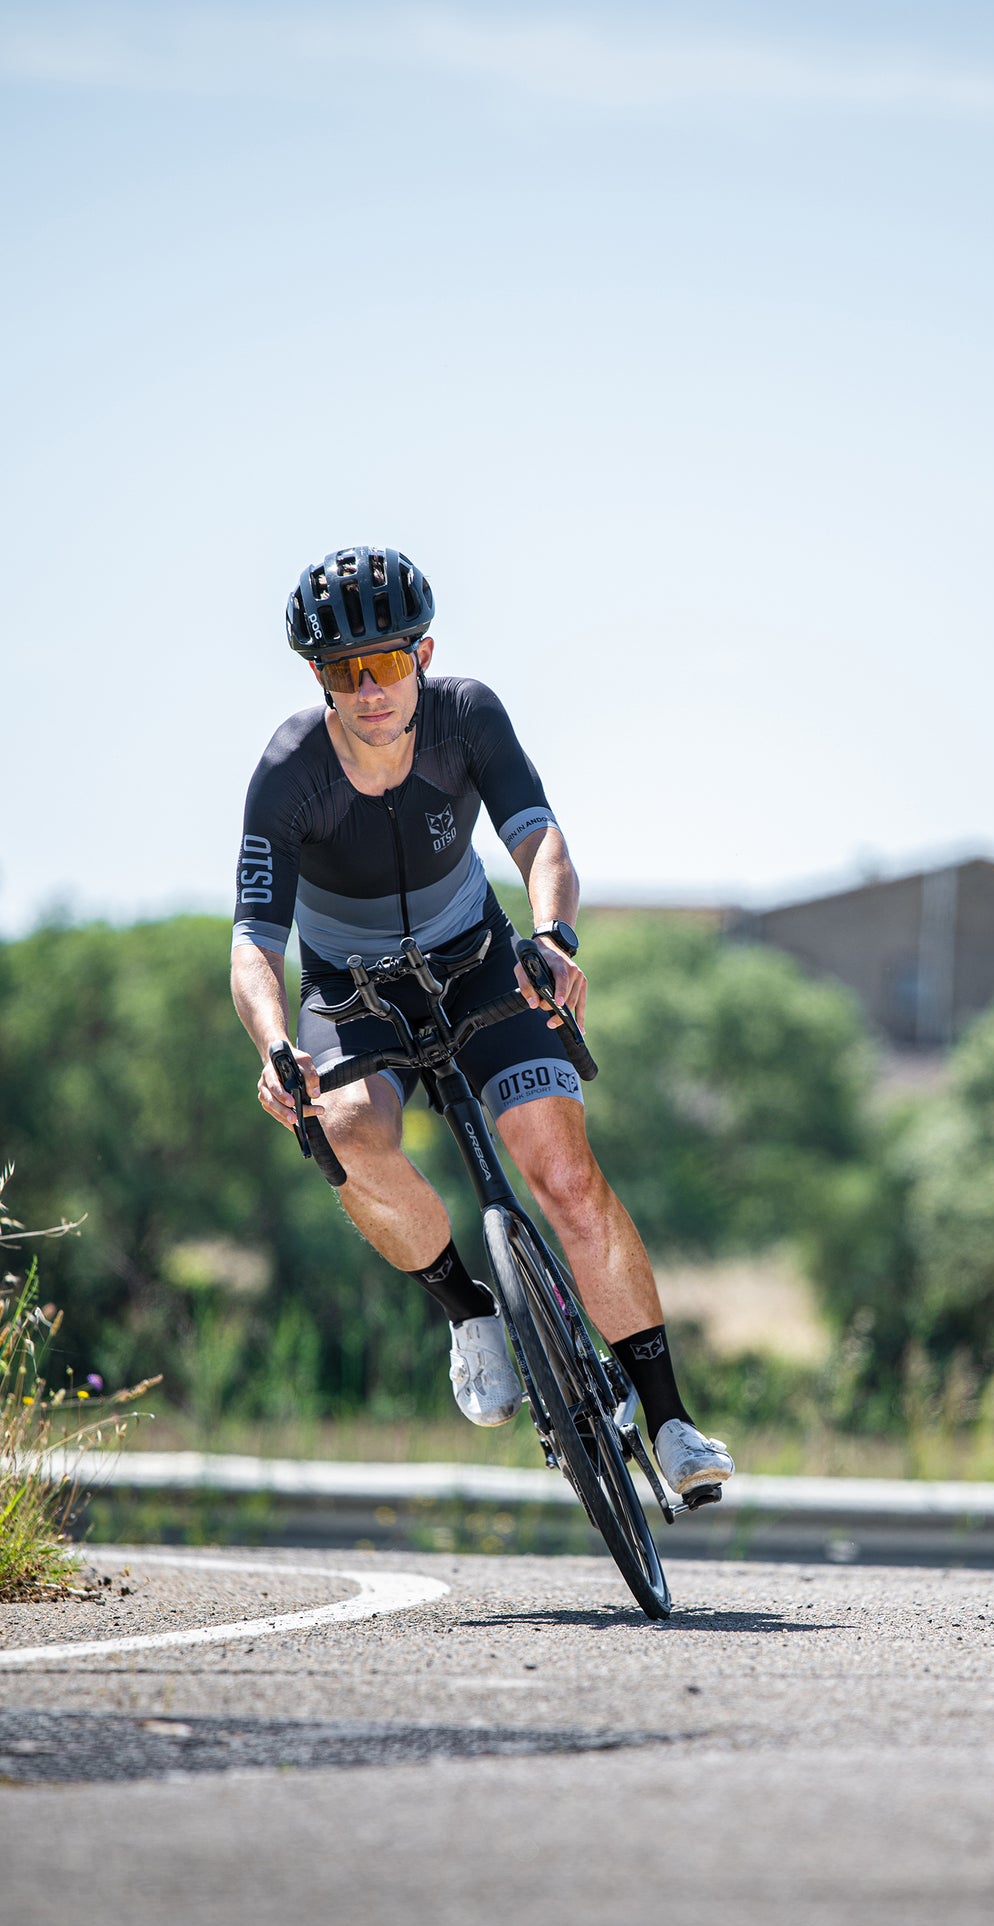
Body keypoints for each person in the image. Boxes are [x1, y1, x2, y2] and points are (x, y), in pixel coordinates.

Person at [230, 543, 734, 1501]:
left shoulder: (468, 715)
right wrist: (274, 1045)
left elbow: (539, 836)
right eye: (345, 670)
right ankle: (469, 1310)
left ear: (422, 654)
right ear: (318, 678)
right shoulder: (289, 769)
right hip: (350, 988)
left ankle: (669, 1420)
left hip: (478, 960)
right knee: (343, 1129)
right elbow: (253, 941)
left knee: (564, 1175)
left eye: (385, 662)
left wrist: (553, 935)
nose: (369, 688)